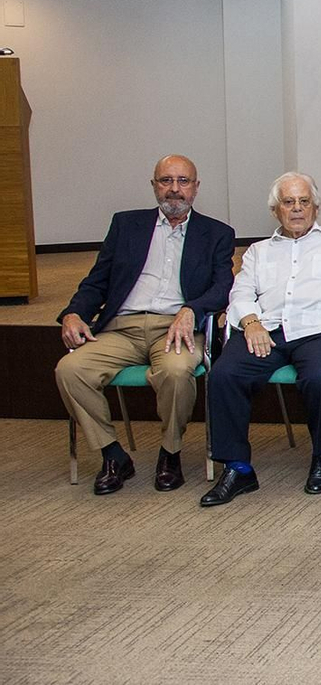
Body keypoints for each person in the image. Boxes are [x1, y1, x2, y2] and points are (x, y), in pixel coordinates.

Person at [200, 173, 321, 506]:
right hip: (267, 329)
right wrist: (250, 321)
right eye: (288, 202)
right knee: (224, 374)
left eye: (304, 202)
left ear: (316, 207)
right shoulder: (258, 251)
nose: (297, 209)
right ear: (276, 210)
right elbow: (240, 291)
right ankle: (238, 468)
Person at [56, 155, 236, 495]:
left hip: (175, 328)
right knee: (70, 370)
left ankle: (170, 452)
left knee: (177, 371)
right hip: (120, 327)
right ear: (154, 186)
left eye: (183, 181)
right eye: (166, 181)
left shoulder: (216, 233)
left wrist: (191, 310)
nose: (174, 189)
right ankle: (112, 454)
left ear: (196, 188)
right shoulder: (126, 225)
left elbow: (222, 287)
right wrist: (73, 313)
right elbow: (97, 281)